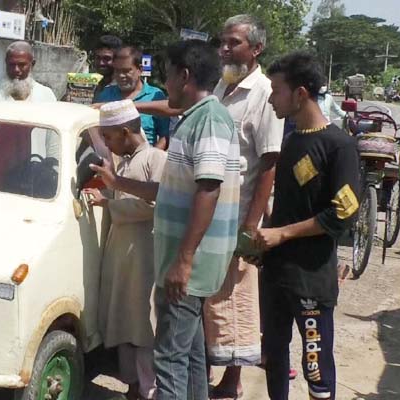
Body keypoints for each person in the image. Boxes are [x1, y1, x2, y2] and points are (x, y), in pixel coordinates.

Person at [91, 40, 240, 400]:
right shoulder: (194, 120)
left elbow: (208, 189)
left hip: (188, 264)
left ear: (184, 76)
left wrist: (184, 260)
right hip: (183, 260)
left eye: (169, 76)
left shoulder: (208, 120)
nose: (165, 85)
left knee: (170, 359)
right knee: (189, 356)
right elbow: (170, 191)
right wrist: (118, 183)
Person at [254, 51, 360, 400]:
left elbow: (343, 213)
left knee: (315, 363)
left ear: (300, 94)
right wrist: (263, 238)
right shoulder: (291, 139)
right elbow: (288, 206)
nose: (271, 98)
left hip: (311, 279)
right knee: (273, 356)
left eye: (276, 90)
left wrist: (282, 233)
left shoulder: (339, 146)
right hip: (275, 273)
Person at [203, 15, 284, 400]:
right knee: (209, 294)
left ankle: (232, 381)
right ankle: (204, 368)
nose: (224, 49)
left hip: (239, 217)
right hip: (210, 210)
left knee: (236, 299)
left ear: (256, 49)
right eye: (222, 41)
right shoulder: (223, 85)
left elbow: (269, 163)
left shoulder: (264, 94)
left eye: (233, 42)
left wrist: (251, 225)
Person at [84, 99, 166, 400]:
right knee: (123, 322)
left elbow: (154, 204)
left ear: (125, 131)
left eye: (108, 137)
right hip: (122, 254)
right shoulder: (124, 162)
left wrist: (110, 203)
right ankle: (133, 385)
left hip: (143, 256)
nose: (107, 144)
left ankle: (150, 390)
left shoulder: (155, 159)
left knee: (144, 326)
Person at [0, 41, 57, 169]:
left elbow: (53, 143)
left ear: (32, 64)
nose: (16, 70)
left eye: (22, 65)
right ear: (5, 63)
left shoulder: (46, 96)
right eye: (11, 65)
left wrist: (53, 174)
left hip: (36, 177)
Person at [96, 46, 170, 149]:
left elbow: (165, 136)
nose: (121, 76)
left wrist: (149, 158)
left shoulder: (155, 96)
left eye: (126, 71)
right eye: (117, 71)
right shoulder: (105, 95)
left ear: (140, 69)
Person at [92, 34, 123, 101]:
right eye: (98, 58)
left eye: (107, 59)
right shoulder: (100, 85)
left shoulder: (122, 87)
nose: (101, 63)